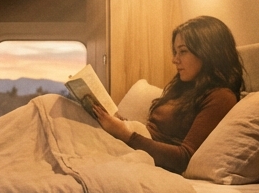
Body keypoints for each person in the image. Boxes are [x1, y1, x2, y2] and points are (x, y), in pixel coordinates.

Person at [94, 15, 244, 173]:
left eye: (183, 52)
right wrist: (120, 122)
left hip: (142, 154)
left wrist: (127, 135)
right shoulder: (184, 87)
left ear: (208, 53)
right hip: (135, 143)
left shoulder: (221, 97)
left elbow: (184, 158)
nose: (175, 60)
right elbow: (153, 131)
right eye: (175, 52)